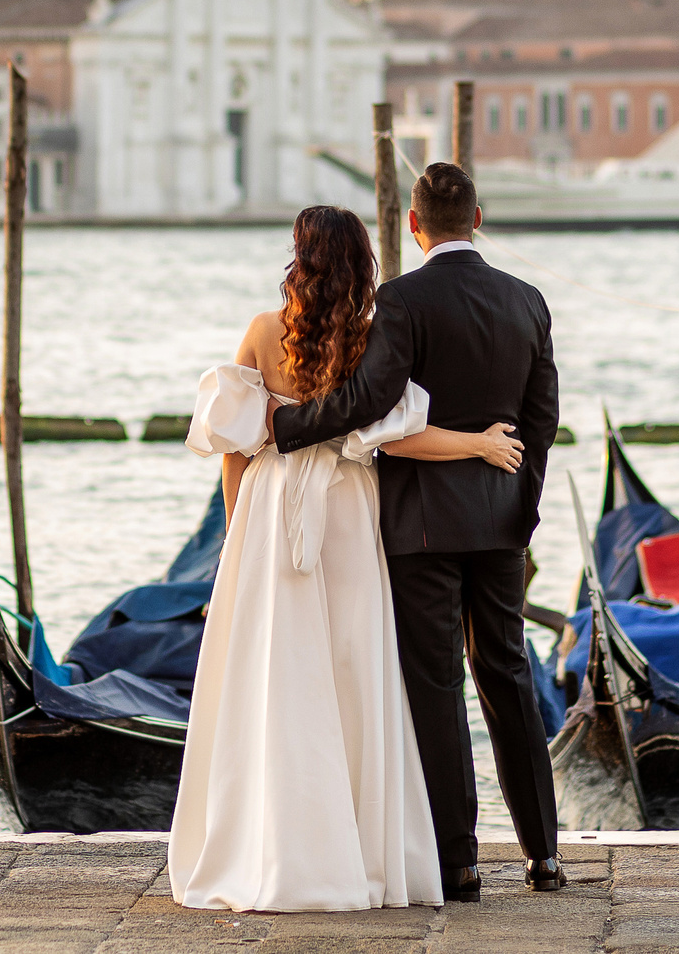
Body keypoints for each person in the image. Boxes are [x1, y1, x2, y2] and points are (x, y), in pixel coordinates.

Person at [168, 204, 526, 913]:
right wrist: (480, 443)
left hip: (275, 509)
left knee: (278, 675)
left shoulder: (262, 332)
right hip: (349, 510)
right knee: (356, 675)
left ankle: (275, 851)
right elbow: (401, 440)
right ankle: (362, 853)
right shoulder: (370, 335)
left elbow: (237, 448)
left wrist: (237, 540)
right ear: (362, 261)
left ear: (298, 258)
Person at [269, 163, 565, 902]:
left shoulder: (401, 300)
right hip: (502, 521)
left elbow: (370, 401)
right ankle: (544, 856)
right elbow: (542, 420)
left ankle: (459, 862)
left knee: (437, 685)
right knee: (508, 675)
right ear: (479, 216)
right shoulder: (527, 300)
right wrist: (519, 508)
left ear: (413, 223)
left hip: (420, 527)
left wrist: (283, 425)